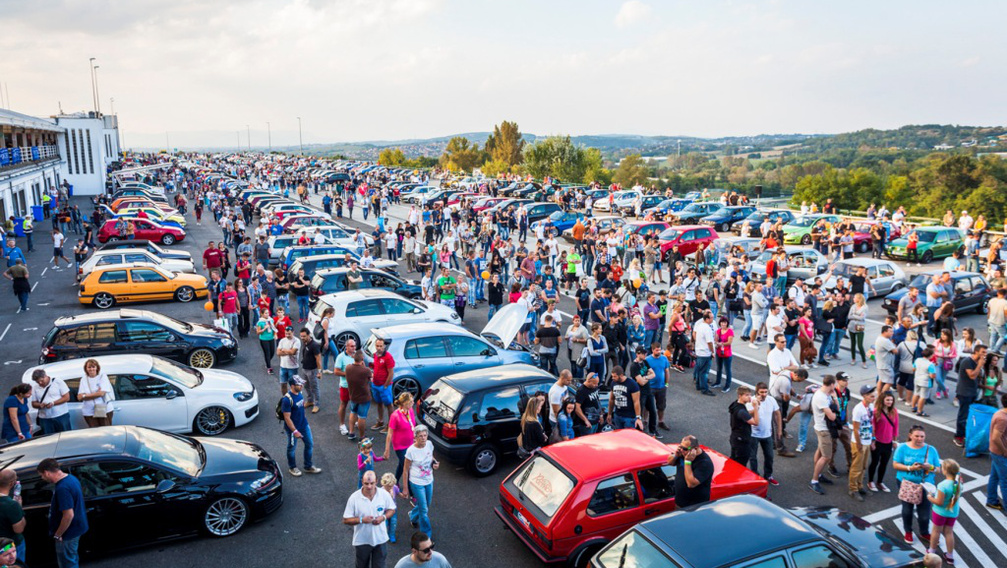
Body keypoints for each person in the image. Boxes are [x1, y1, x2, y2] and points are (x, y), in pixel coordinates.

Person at [893, 425, 941, 545]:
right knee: (907, 510)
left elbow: (938, 469)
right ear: (910, 436)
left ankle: (924, 532)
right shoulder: (902, 448)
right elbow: (895, 464)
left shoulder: (931, 450)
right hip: (906, 483)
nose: (920, 439)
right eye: (917, 436)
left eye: (922, 436)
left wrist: (929, 467)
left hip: (926, 485)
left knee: (924, 513)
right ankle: (908, 531)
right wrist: (910, 468)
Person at [37, 458, 88, 568]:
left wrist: (58, 534)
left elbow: (68, 515)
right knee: (72, 557)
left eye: (42, 475)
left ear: (47, 472)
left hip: (67, 534)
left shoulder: (62, 488)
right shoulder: (71, 478)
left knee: (67, 563)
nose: (42, 478)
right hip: (76, 528)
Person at [343, 470, 396, 568]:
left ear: (377, 481)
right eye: (366, 483)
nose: (369, 486)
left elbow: (392, 509)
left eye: (372, 483)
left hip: (380, 539)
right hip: (362, 540)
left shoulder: (384, 494)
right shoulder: (354, 498)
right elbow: (346, 519)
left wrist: (383, 517)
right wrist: (361, 520)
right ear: (362, 482)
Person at [401, 425, 438, 539]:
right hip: (416, 483)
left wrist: (435, 463)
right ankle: (426, 535)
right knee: (424, 510)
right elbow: (405, 470)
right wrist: (405, 488)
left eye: (425, 435)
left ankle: (412, 515)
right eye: (420, 436)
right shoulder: (411, 451)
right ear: (415, 437)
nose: (423, 438)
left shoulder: (430, 444)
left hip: (429, 480)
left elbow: (431, 457)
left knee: (427, 504)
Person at [281, 376, 321, 477]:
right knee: (291, 448)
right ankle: (292, 467)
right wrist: (295, 431)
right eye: (299, 384)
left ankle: (308, 466)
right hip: (293, 429)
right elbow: (287, 418)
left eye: (301, 383)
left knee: (309, 444)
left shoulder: (300, 393)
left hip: (304, 425)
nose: (302, 385)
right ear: (293, 386)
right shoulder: (287, 400)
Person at [927, 459, 963, 565]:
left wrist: (930, 497)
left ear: (945, 471)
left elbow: (939, 502)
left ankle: (932, 551)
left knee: (936, 531)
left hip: (940, 512)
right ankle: (950, 556)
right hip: (953, 512)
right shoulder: (959, 484)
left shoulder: (943, 485)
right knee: (949, 532)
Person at [666, 435, 714, 508]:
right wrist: (676, 454)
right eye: (680, 447)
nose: (681, 450)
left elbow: (691, 484)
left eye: (685, 448)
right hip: (680, 502)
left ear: (695, 449)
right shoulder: (682, 453)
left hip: (694, 506)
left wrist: (687, 462)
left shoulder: (704, 463)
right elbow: (670, 462)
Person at [809, 375, 839, 495]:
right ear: (831, 384)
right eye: (835, 384)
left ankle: (819, 474)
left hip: (820, 427)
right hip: (824, 430)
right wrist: (836, 402)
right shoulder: (821, 397)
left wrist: (834, 398)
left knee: (820, 451)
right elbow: (832, 416)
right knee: (826, 456)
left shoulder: (823, 394)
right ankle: (814, 480)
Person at [748, 382, 781, 486]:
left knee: (769, 456)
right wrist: (756, 406)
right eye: (761, 392)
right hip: (753, 434)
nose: (764, 394)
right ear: (757, 392)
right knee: (753, 457)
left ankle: (768, 475)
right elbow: (747, 415)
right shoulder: (751, 401)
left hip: (767, 434)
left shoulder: (771, 400)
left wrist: (779, 429)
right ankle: (755, 476)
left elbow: (777, 414)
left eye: (766, 392)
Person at [954, 345, 986, 448]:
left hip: (972, 392)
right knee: (963, 415)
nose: (985, 355)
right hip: (964, 392)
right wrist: (980, 365)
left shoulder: (977, 362)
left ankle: (965, 434)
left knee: (969, 415)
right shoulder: (967, 361)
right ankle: (958, 436)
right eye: (983, 352)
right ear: (976, 352)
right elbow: (972, 375)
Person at [849, 384, 876, 502]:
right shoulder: (858, 409)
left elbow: (871, 424)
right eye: (871, 395)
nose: (873, 396)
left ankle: (860, 486)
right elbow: (855, 428)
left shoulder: (870, 407)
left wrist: (872, 440)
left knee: (863, 466)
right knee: (856, 467)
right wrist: (859, 443)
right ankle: (853, 488)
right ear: (864, 395)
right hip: (859, 442)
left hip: (867, 440)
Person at [869, 390, 900, 493]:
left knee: (884, 463)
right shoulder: (875, 411)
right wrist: (873, 441)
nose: (890, 402)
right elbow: (873, 428)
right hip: (878, 441)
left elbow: (896, 427)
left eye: (891, 400)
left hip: (888, 442)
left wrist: (895, 441)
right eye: (887, 400)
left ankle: (880, 482)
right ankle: (870, 481)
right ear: (882, 400)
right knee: (874, 462)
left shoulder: (894, 411)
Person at [29, 369, 71, 435]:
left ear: (45, 376)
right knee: (49, 437)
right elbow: (33, 403)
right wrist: (40, 405)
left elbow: (66, 397)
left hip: (60, 415)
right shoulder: (35, 388)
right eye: (37, 382)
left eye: (41, 380)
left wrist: (53, 403)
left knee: (65, 435)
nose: (40, 383)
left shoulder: (58, 382)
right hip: (45, 418)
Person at [77, 358, 114, 427]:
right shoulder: (84, 379)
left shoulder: (102, 376)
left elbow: (101, 393)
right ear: (86, 368)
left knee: (105, 430)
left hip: (103, 408)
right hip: (89, 411)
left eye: (93, 367)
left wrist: (85, 396)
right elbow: (79, 397)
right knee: (95, 433)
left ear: (97, 368)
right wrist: (96, 394)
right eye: (89, 367)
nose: (91, 369)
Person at [729, 386, 759, 469]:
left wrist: (755, 410)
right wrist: (756, 408)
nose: (749, 397)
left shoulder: (736, 405)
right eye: (746, 395)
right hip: (741, 441)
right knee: (740, 465)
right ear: (740, 396)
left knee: (734, 460)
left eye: (750, 395)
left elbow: (746, 414)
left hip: (735, 438)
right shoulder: (741, 411)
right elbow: (756, 422)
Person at [346, 351, 373, 441]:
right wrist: (364, 366)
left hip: (353, 396)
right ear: (362, 359)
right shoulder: (366, 370)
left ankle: (351, 432)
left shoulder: (348, 368)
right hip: (364, 397)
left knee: (353, 412)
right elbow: (371, 379)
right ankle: (362, 437)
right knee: (362, 417)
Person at [370, 338, 395, 433]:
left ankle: (390, 426)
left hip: (384, 386)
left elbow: (391, 373)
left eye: (381, 346)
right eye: (377, 346)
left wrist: (385, 386)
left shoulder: (388, 357)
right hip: (375, 385)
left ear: (384, 346)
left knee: (389, 405)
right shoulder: (375, 355)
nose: (379, 348)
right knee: (379, 403)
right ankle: (380, 421)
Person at [987, 393, 1007, 511]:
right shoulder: (1003, 418)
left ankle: (991, 500)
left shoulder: (1000, 413)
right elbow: (995, 437)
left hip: (996, 452)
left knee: (994, 477)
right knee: (1005, 481)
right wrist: (1004, 451)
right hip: (1000, 453)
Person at [0, 470, 25, 565]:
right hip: (9, 547)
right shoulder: (11, 505)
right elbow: (19, 529)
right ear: (12, 483)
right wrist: (19, 507)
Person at [607, 366, 642, 431]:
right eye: (612, 376)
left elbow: (636, 402)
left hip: (629, 417)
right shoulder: (613, 383)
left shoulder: (632, 384)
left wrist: (638, 417)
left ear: (621, 375)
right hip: (617, 415)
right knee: (619, 437)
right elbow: (611, 399)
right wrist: (609, 414)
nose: (613, 378)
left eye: (615, 376)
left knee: (628, 438)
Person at [298, 328, 322, 413]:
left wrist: (319, 371)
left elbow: (318, 358)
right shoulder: (305, 342)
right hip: (305, 368)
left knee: (314, 387)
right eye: (301, 336)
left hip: (312, 370)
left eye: (304, 336)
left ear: (309, 335)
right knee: (306, 386)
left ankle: (317, 404)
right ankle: (310, 400)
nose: (302, 338)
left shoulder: (314, 345)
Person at [573, 372, 602, 437]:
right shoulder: (581, 391)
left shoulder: (594, 387)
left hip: (595, 421)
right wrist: (585, 420)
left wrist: (601, 415)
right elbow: (577, 408)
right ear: (588, 381)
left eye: (597, 383)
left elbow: (597, 400)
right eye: (594, 383)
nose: (596, 385)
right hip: (587, 424)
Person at [256, 308, 278, 377]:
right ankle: (269, 367)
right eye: (265, 313)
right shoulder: (260, 322)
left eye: (268, 313)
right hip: (264, 339)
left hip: (271, 338)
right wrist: (264, 328)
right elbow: (258, 332)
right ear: (262, 314)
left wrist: (275, 334)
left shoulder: (271, 320)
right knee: (267, 353)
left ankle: (267, 362)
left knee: (272, 352)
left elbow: (274, 328)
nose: (267, 314)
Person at [380, 473, 401, 544]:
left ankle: (392, 535)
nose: (390, 488)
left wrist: (403, 495)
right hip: (384, 511)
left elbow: (398, 493)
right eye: (389, 486)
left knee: (393, 523)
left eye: (391, 486)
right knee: (385, 524)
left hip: (393, 510)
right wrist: (390, 496)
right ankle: (384, 535)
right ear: (384, 484)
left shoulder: (394, 488)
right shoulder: (381, 492)